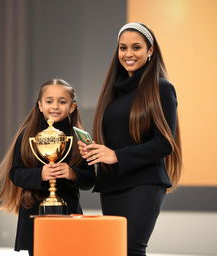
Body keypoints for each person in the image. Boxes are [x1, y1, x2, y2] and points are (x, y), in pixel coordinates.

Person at [78, 22, 182, 256]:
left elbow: (165, 143)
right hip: (112, 184)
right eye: (123, 48)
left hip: (144, 183)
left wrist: (116, 155)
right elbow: (117, 139)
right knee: (115, 251)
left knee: (130, 249)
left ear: (150, 50)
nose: (128, 54)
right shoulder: (113, 91)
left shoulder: (162, 88)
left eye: (136, 47)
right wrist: (96, 151)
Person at [0, 78, 96, 256]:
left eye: (62, 101)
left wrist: (73, 174)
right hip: (34, 212)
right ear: (40, 106)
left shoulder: (81, 138)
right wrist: (40, 175)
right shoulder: (28, 136)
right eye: (49, 101)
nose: (55, 106)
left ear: (72, 107)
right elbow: (16, 174)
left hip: (69, 212)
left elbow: (90, 180)